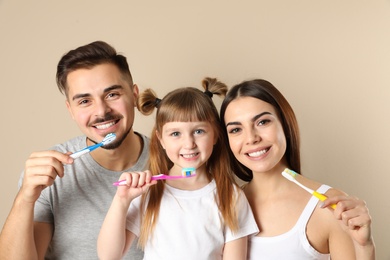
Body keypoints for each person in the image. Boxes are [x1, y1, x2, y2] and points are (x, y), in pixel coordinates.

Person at [0, 41, 148, 259]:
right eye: (85, 101)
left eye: (112, 94)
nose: (101, 111)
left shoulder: (174, 163)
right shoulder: (49, 174)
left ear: (134, 95)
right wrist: (25, 198)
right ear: (70, 109)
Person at [97, 77, 259, 259]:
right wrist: (121, 200)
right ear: (161, 140)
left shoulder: (231, 197)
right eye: (175, 134)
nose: (189, 144)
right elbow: (109, 256)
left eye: (199, 131)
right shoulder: (148, 192)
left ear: (215, 135)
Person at [219, 79, 376, 260]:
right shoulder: (222, 205)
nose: (251, 138)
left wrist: (364, 247)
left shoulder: (330, 206)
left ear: (285, 124)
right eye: (236, 129)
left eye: (262, 122)